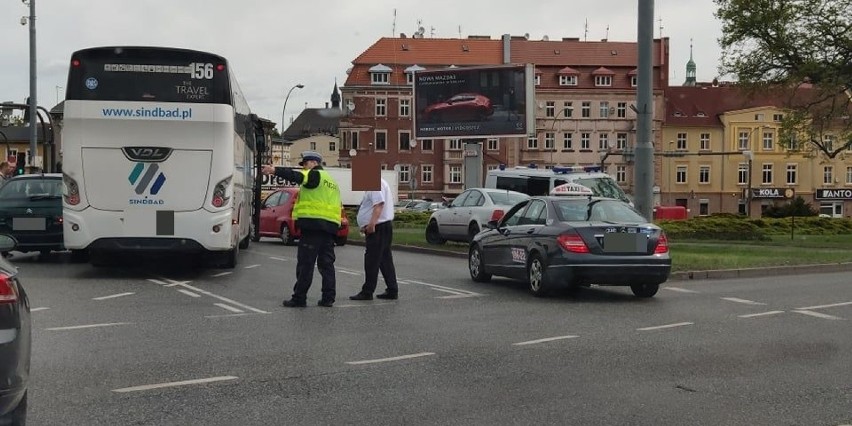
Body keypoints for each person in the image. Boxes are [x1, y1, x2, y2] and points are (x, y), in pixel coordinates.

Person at [261, 150, 341, 308]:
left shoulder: (315, 175)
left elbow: (295, 176)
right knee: (327, 265)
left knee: (306, 264)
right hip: (329, 228)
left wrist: (275, 170)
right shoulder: (331, 181)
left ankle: (299, 298)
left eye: (305, 164)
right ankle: (328, 298)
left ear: (314, 163)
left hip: (313, 226)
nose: (304, 167)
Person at [350, 177, 399, 301]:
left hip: (378, 227)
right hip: (382, 226)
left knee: (372, 260)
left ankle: (367, 291)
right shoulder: (377, 183)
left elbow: (379, 205)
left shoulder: (374, 183)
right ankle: (392, 289)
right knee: (384, 260)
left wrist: (371, 224)